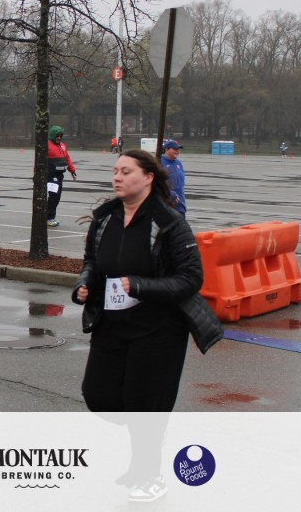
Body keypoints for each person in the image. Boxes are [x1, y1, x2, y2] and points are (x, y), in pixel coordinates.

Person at [72, 150, 221, 501]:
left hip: (158, 330)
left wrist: (140, 285)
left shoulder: (169, 222)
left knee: (145, 406)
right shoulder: (105, 218)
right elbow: (92, 260)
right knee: (98, 395)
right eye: (115, 171)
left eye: (126, 171)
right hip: (111, 323)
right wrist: (84, 283)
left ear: (148, 177)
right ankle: (149, 435)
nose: (117, 177)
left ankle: (150, 474)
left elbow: (191, 278)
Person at [45, 125, 77, 227]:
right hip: (50, 175)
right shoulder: (47, 146)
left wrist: (72, 171)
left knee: (57, 197)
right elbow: (38, 160)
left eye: (60, 136)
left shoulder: (63, 146)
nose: (59, 138)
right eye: (57, 136)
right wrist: (36, 174)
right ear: (52, 136)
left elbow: (67, 158)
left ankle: (48, 216)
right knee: (54, 196)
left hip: (59, 175)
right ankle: (49, 218)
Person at [160, 140, 187, 216]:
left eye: (178, 149)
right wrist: (169, 193)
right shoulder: (159, 162)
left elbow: (180, 185)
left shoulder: (178, 163)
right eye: (175, 149)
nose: (177, 151)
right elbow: (156, 183)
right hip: (166, 206)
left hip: (180, 206)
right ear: (166, 149)